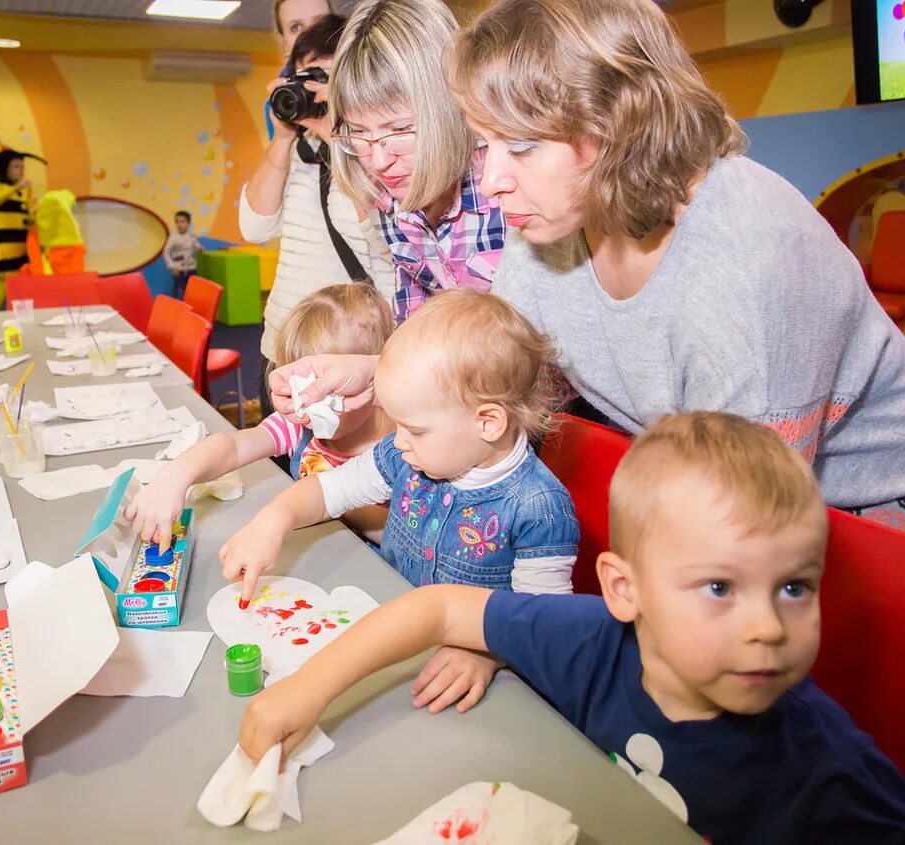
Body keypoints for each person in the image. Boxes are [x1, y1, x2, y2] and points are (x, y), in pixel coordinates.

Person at [279, 0, 905, 553]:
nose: (489, 180)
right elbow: (492, 378)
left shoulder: (748, 258)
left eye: (519, 146)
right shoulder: (550, 220)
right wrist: (375, 371)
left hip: (871, 512)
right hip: (714, 482)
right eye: (485, 143)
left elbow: (743, 525)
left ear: (621, 125)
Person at [235, 412, 905, 843]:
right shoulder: (591, 637)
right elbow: (439, 607)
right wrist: (307, 688)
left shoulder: (831, 773)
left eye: (795, 586)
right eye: (718, 587)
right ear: (623, 589)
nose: (767, 626)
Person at [220, 290, 578, 604]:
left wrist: (486, 652)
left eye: (415, 430)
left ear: (487, 422)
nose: (398, 440)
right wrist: (272, 521)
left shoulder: (539, 509)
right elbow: (328, 488)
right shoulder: (404, 454)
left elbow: (540, 626)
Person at [125, 285, 395, 547]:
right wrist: (175, 476)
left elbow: (400, 534)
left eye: (325, 388)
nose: (307, 406)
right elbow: (232, 446)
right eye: (298, 387)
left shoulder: (404, 441)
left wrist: (331, 498)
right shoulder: (298, 427)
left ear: (368, 376)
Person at [242, 14, 396, 416]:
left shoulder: (378, 152)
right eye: (303, 74)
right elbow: (254, 228)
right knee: (280, 471)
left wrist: (339, 136)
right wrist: (282, 138)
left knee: (338, 473)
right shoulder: (296, 151)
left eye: (325, 76)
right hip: (280, 343)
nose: (312, 88)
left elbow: (391, 245)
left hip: (348, 356)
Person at [327, 0, 506, 324]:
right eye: (357, 130)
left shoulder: (505, 188)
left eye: (400, 129)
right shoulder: (389, 196)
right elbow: (415, 300)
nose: (379, 162)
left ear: (448, 109)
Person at [264, 0, 335, 140]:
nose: (309, 33)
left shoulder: (372, 76)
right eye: (296, 27)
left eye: (320, 22)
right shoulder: (282, 98)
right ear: (283, 40)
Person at [0, 150, 41, 312]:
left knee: (13, 290)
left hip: (20, 249)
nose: (20, 171)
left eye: (22, 167)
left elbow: (27, 217)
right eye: (16, 166)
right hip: (3, 251)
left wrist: (32, 218)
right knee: (4, 290)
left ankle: (5, 321)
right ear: (4, 169)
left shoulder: (23, 192)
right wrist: (15, 187)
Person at [164, 210, 202, 301]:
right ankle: (180, 311)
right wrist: (172, 266)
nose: (179, 225)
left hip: (191, 268)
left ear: (188, 223)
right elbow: (166, 252)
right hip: (179, 270)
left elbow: (196, 245)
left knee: (193, 291)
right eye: (177, 222)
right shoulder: (173, 237)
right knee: (179, 292)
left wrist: (199, 247)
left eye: (182, 222)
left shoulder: (191, 236)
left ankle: (193, 311)